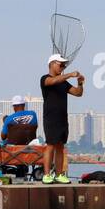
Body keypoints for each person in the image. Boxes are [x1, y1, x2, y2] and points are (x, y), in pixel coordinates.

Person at [40, 53, 84, 184]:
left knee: (60, 146)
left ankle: (59, 174)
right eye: (61, 64)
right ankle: (47, 174)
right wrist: (70, 74)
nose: (63, 67)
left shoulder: (63, 82)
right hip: (50, 118)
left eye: (64, 65)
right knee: (50, 145)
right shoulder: (45, 79)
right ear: (52, 64)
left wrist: (80, 83)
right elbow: (52, 81)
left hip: (62, 119)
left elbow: (78, 93)